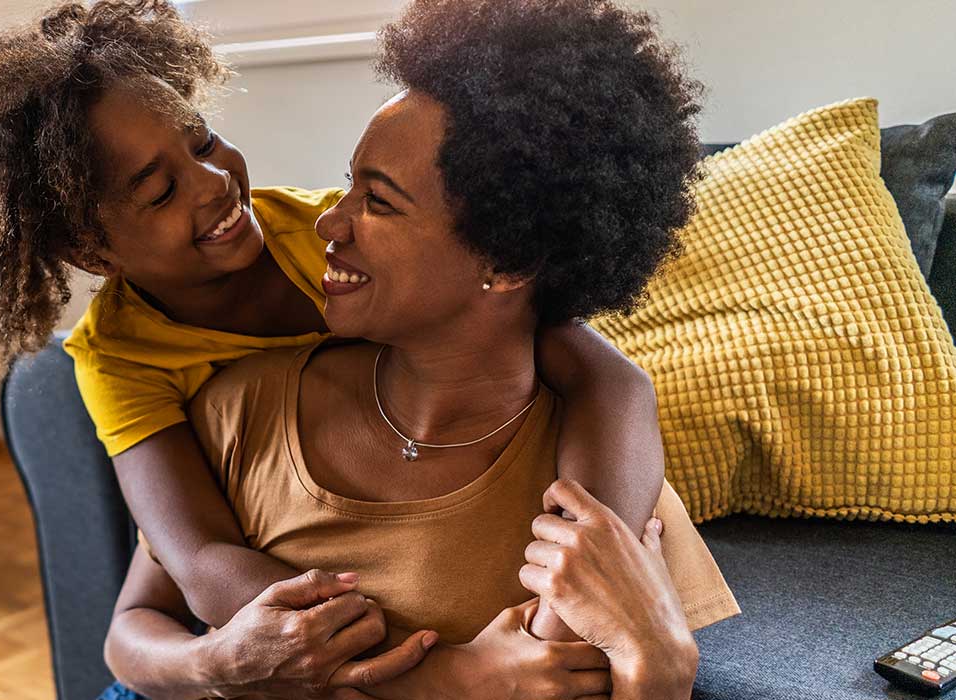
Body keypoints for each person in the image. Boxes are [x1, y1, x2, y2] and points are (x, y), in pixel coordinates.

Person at [0, 0, 680, 689]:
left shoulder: (321, 238)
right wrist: (428, 677)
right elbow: (195, 565)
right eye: (158, 191)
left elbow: (610, 379)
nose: (215, 184)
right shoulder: (130, 362)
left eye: (201, 143)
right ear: (95, 253)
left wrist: (589, 563)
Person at [99, 0, 737, 697]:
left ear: (508, 261)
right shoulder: (236, 405)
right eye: (348, 184)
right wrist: (221, 665)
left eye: (378, 201)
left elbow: (617, 384)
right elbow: (137, 629)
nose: (326, 223)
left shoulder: (605, 493)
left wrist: (662, 666)